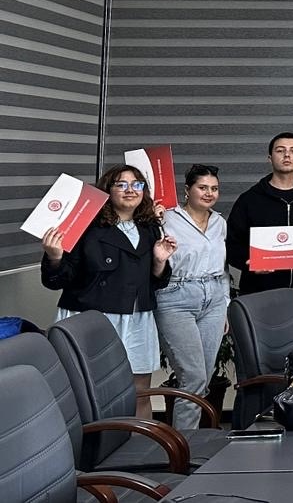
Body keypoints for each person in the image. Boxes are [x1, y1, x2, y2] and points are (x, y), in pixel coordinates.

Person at [40, 164, 176, 419]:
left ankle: (141, 443)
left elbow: (154, 283)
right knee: (88, 394)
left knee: (140, 392)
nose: (130, 190)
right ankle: (92, 443)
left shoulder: (149, 227)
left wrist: (159, 261)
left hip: (137, 317)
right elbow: (58, 280)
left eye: (137, 184)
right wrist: (55, 257)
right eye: (121, 184)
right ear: (107, 190)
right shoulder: (85, 226)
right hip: (92, 318)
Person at [155, 164, 229, 430]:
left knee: (204, 377)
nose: (209, 193)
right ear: (187, 190)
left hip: (214, 299)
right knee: (193, 377)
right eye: (203, 187)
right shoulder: (166, 218)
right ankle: (183, 445)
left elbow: (223, 269)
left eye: (214, 188)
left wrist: (225, 305)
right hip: (177, 297)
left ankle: (191, 440)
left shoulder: (219, 222)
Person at [225, 132, 293, 304]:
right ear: (269, 158)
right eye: (280, 150)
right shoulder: (249, 199)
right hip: (257, 294)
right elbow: (231, 243)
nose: (287, 155)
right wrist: (249, 263)